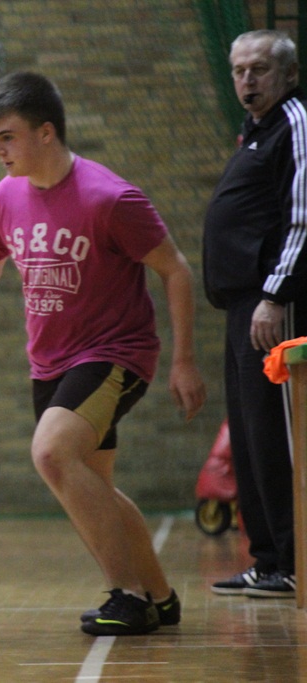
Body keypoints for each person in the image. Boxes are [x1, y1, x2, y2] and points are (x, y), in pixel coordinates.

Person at [0, 71, 207, 636]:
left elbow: (175, 270)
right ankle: (161, 595)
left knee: (51, 453)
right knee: (91, 481)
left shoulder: (110, 198)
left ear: (46, 133)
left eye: (7, 136)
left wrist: (183, 360)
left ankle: (126, 596)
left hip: (114, 355)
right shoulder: (5, 199)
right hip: (49, 362)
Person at [203, 29, 307, 599]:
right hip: (242, 307)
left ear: (288, 75)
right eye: (240, 69)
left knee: (276, 434)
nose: (247, 80)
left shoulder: (296, 124)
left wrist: (275, 294)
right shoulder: (256, 132)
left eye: (260, 69)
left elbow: (302, 219)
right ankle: (268, 560)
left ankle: (293, 559)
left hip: (273, 307)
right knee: (247, 434)